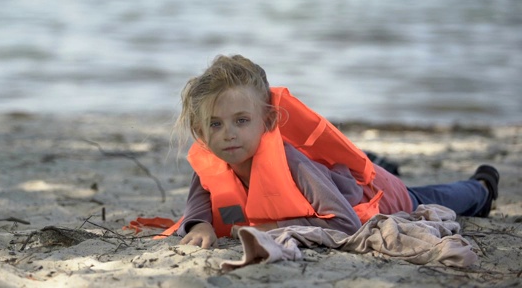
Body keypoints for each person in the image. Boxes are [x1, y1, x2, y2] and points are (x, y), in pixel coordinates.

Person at [163, 54, 499, 249]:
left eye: (241, 120)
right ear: (200, 132)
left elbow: (346, 224)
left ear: (267, 121)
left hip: (377, 193)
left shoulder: (295, 164)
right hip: (340, 181)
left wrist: (272, 228)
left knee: (430, 197)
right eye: (216, 124)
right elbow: (200, 200)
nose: (228, 135)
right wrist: (199, 226)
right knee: (427, 191)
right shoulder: (215, 161)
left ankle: (482, 187)